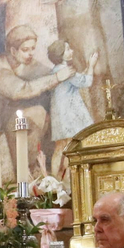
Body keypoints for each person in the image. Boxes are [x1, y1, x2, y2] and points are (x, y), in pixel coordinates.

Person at [0, 24, 74, 182]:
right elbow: (22, 89)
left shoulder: (22, 62)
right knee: (6, 179)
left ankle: (29, 164)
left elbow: (45, 72)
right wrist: (56, 78)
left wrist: (61, 72)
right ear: (13, 51)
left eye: (32, 48)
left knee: (38, 114)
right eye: (25, 49)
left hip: (4, 119)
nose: (30, 54)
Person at [45, 39, 98, 178]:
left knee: (61, 146)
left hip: (60, 114)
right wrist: (91, 65)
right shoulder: (66, 71)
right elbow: (86, 82)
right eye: (68, 49)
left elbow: (78, 79)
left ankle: (57, 180)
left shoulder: (55, 71)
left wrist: (86, 68)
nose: (71, 51)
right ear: (60, 54)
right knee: (70, 146)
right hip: (69, 113)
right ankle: (66, 179)